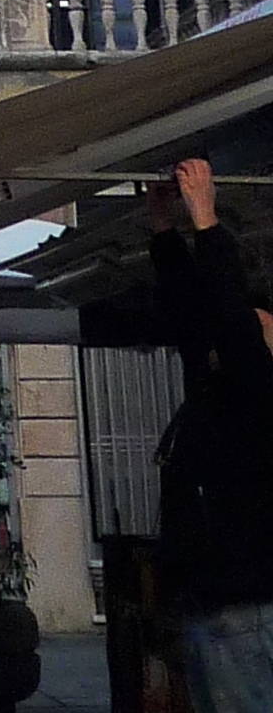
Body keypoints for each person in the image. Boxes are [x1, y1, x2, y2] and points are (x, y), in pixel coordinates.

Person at [148, 155, 273, 711]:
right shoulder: (219, 389)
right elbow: (198, 321)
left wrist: (205, 222)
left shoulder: (258, 393)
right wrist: (166, 232)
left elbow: (229, 325)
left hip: (247, 607)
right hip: (224, 607)